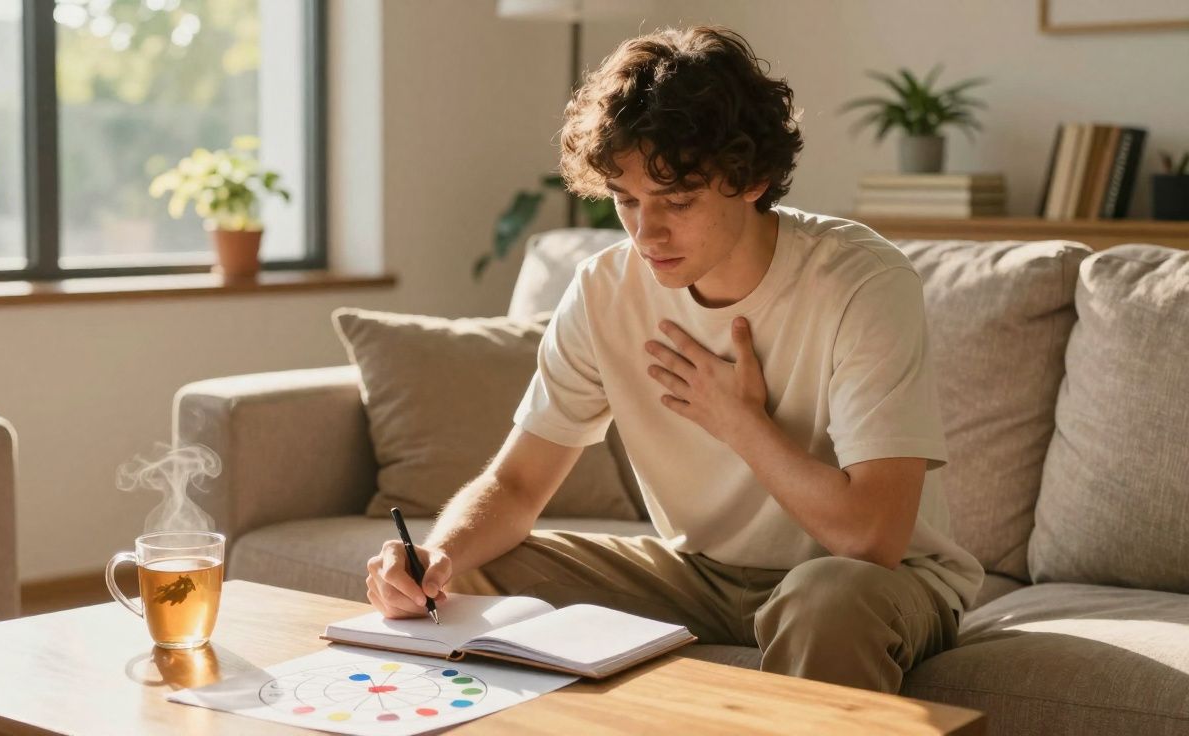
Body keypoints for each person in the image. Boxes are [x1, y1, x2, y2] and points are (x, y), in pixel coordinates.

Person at [364, 24, 983, 694]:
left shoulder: (862, 281)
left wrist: (740, 421)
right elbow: (516, 486)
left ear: (754, 178)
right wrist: (433, 557)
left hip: (873, 581)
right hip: (702, 575)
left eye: (677, 201)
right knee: (476, 575)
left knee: (824, 600)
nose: (645, 231)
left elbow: (872, 538)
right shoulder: (604, 290)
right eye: (627, 200)